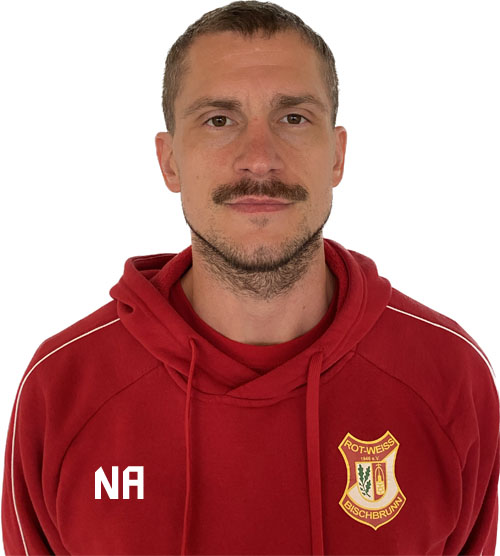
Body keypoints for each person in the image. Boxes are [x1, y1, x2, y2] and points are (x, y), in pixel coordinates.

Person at [2, 1, 499, 554]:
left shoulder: (450, 377)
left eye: (293, 118)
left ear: (337, 156)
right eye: (219, 120)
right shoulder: (62, 389)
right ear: (169, 162)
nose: (259, 159)